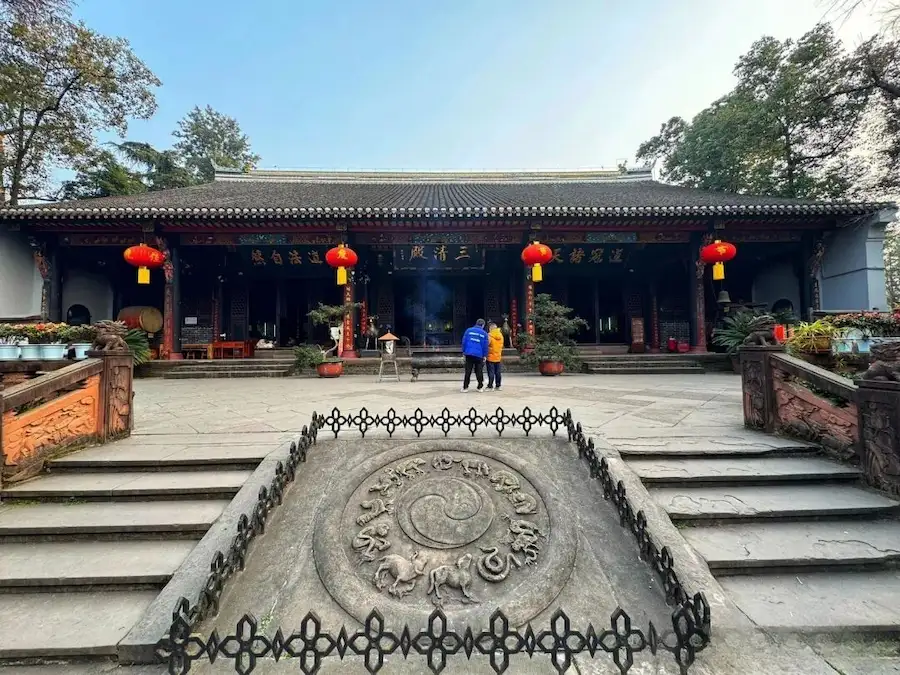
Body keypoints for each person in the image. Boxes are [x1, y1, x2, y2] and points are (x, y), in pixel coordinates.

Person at [460, 318, 489, 392]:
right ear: (483, 325)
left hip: (469, 353)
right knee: (479, 371)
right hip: (479, 355)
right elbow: (485, 346)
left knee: (468, 371)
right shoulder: (484, 333)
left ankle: (465, 387)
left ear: (476, 323)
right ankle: (480, 387)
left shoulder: (468, 330)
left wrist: (464, 352)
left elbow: (464, 342)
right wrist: (485, 355)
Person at [486, 320, 504, 391]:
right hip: (498, 356)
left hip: (490, 357)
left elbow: (487, 345)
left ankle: (490, 386)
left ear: (490, 328)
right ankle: (498, 385)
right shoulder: (500, 335)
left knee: (491, 372)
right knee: (498, 372)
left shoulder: (489, 335)